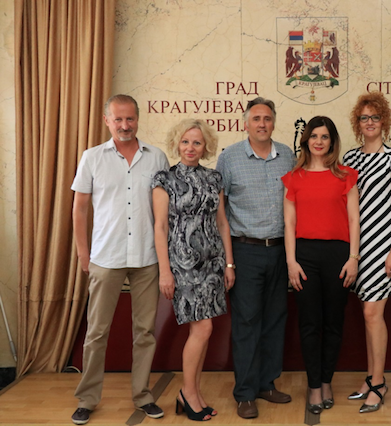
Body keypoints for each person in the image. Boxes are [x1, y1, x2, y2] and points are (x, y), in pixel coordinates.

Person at [71, 95, 169, 425]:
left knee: (145, 332)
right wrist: (83, 252)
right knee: (97, 332)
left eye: (130, 119)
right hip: (105, 256)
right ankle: (87, 398)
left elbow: (163, 213)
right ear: (107, 121)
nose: (125, 125)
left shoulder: (157, 157)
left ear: (138, 119)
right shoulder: (92, 157)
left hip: (146, 257)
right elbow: (80, 208)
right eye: (118, 119)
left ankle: (143, 396)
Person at [216, 97, 296, 419]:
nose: (262, 124)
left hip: (279, 250)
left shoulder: (287, 155)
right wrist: (229, 261)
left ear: (274, 122)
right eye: (256, 118)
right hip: (244, 250)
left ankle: (266, 383)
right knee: (247, 323)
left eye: (267, 118)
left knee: (275, 320)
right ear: (246, 123)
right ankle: (245, 393)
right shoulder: (229, 157)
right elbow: (220, 211)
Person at [152, 119, 235, 421]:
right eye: (186, 141)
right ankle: (188, 394)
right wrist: (165, 271)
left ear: (205, 146)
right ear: (177, 143)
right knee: (203, 328)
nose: (190, 147)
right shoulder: (164, 179)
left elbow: (222, 223)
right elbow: (160, 227)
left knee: (202, 330)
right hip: (183, 264)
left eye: (197, 142)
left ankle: (193, 393)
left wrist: (229, 263)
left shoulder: (214, 178)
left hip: (213, 264)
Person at [282, 116, 360, 415]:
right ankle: (314, 384)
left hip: (339, 256)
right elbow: (289, 224)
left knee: (334, 323)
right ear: (306, 140)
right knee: (310, 323)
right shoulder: (294, 177)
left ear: (332, 141)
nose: (318, 141)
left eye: (324, 136)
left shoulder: (347, 176)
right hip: (304, 256)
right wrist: (291, 262)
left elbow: (354, 220)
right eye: (314, 136)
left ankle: (327, 380)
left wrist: (353, 258)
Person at [342, 92, 391, 413]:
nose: (370, 122)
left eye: (375, 117)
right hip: (359, 248)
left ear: (384, 121)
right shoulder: (350, 160)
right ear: (358, 123)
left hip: (385, 247)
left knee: (372, 314)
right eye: (364, 118)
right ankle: (370, 379)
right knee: (368, 315)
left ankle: (379, 383)